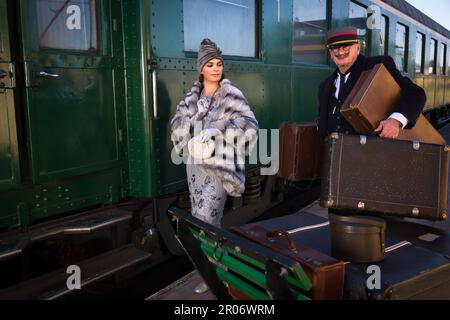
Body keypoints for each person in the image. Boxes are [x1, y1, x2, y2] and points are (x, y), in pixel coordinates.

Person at [170, 38, 259, 293]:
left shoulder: (231, 95)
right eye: (210, 64)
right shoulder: (191, 98)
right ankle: (214, 273)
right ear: (201, 69)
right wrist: (195, 121)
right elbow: (177, 125)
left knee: (205, 218)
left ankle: (214, 274)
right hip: (194, 166)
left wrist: (214, 128)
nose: (216, 69)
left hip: (219, 166)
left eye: (219, 64)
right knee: (204, 222)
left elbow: (249, 126)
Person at [317, 26, 426, 141]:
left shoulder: (378, 66)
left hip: (370, 154)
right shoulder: (324, 86)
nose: (340, 52)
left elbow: (416, 94)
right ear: (330, 53)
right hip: (334, 155)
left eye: (346, 46)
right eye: (335, 48)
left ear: (358, 47)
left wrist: (395, 121)